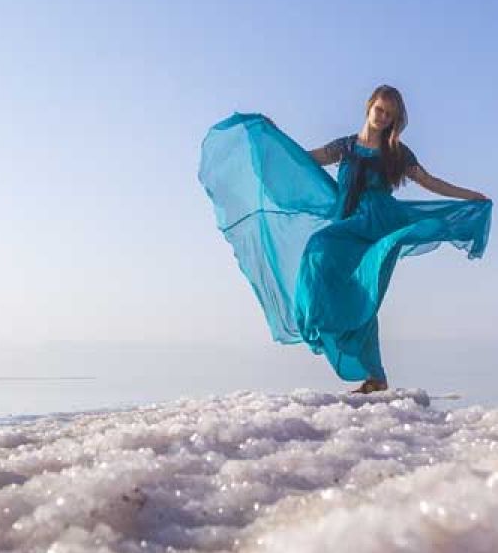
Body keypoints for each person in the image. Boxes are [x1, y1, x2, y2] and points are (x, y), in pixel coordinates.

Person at [198, 85, 492, 393]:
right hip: (349, 222)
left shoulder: (396, 153)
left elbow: (429, 181)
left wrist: (469, 195)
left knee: (321, 249)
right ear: (369, 107)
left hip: (378, 223)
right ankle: (374, 376)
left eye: (389, 115)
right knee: (356, 293)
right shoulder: (345, 147)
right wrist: (272, 139)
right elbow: (302, 160)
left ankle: (344, 347)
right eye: (380, 109)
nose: (383, 117)